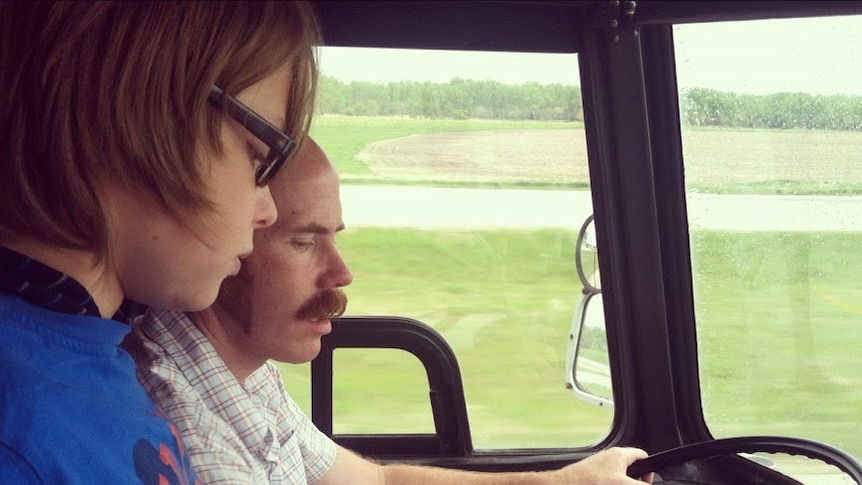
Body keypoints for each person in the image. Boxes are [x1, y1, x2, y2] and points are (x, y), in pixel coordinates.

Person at [126, 138, 651, 484]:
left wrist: (563, 482)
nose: (342, 274)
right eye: (304, 243)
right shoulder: (194, 441)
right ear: (231, 243)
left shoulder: (239, 369)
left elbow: (376, 482)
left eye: (334, 239)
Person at [0, 2, 320, 483]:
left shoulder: (88, 355)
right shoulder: (23, 434)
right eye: (260, 160)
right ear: (135, 114)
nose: (268, 210)